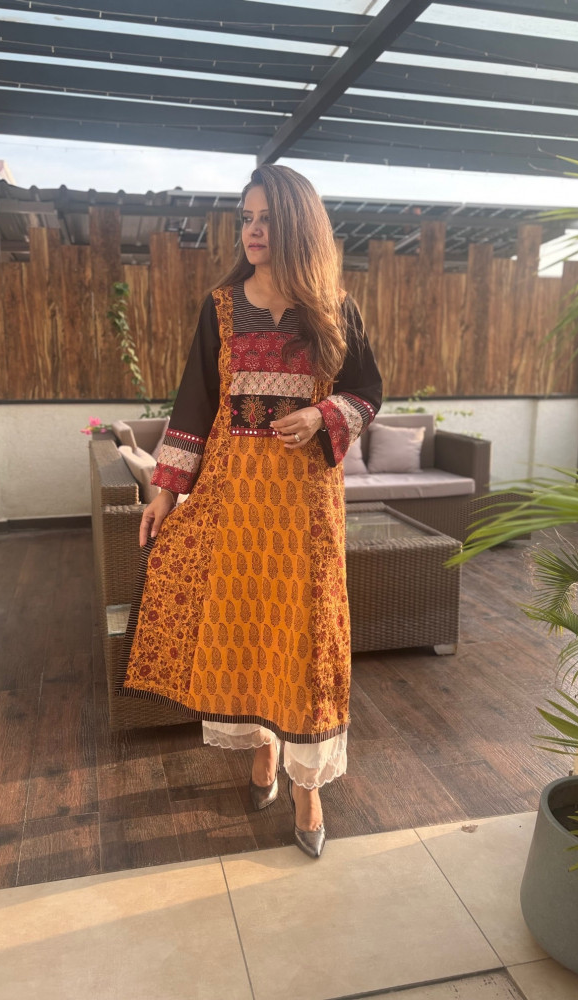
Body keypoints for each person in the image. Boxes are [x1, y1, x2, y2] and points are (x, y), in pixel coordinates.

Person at [120, 164, 382, 858]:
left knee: (306, 637)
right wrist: (165, 490)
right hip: (235, 504)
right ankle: (262, 748)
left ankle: (308, 786)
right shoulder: (221, 308)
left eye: (267, 218)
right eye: (246, 218)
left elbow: (367, 393)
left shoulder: (334, 309)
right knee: (244, 624)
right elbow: (194, 405)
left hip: (304, 509)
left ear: (298, 224)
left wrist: (322, 415)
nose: (254, 231)